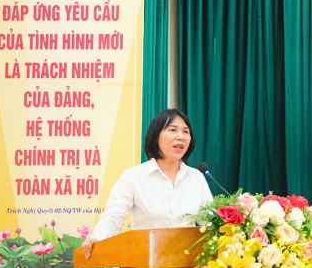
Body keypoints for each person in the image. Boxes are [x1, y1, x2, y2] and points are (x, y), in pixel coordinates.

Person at [81, 109, 213, 259]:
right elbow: (113, 216)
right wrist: (98, 237)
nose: (181, 137)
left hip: (188, 264)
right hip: (145, 262)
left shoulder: (196, 178)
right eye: (173, 130)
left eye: (185, 132)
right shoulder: (133, 177)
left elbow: (210, 222)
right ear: (156, 136)